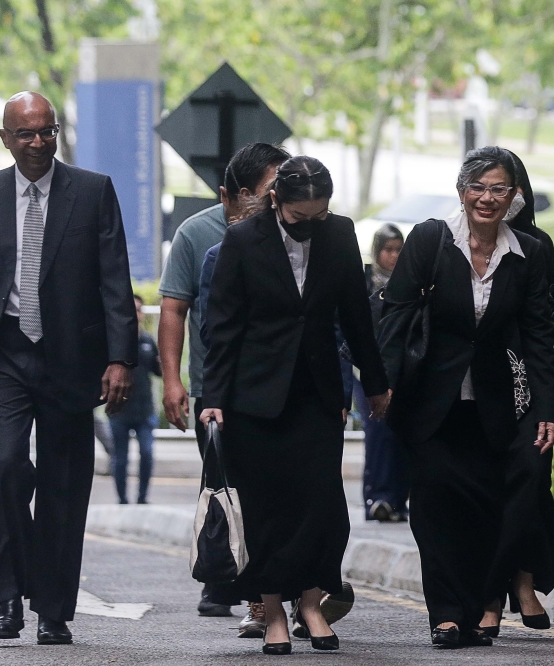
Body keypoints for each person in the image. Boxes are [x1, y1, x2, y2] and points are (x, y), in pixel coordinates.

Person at [0, 91, 137, 646]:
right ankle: (7, 597)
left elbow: (115, 279)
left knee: (66, 486)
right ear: (5, 138)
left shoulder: (92, 191)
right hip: (1, 353)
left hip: (71, 358)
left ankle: (52, 609)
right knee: (4, 468)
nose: (38, 141)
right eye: (26, 133)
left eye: (46, 130)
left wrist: (121, 357)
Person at [200, 156, 391, 655]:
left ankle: (310, 602)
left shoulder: (340, 234)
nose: (309, 227)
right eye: (299, 218)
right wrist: (214, 397)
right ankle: (273, 614)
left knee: (318, 503)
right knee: (265, 506)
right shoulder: (242, 241)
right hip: (253, 395)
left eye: (318, 217)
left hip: (318, 392)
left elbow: (355, 315)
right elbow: (222, 325)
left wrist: (375, 383)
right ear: (276, 202)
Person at [378, 146, 554, 648]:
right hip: (430, 401)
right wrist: (382, 386)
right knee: (435, 509)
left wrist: (547, 407)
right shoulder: (430, 239)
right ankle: (446, 615)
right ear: (462, 192)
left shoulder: (529, 253)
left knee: (484, 509)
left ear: (514, 196)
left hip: (492, 403)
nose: (487, 198)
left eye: (498, 189)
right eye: (477, 187)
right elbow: (395, 315)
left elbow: (538, 336)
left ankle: (484, 604)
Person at [158, 142, 291, 618]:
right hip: (215, 387)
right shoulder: (197, 235)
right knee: (224, 483)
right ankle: (222, 577)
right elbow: (174, 307)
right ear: (231, 196)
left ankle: (268, 589)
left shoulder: (295, 228)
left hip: (276, 386)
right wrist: (172, 381)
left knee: (272, 488)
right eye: (267, 191)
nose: (276, 199)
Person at [479, 150, 554, 635]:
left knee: (531, 488)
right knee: (492, 492)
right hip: (480, 389)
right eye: (487, 186)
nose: (499, 197)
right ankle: (497, 595)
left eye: (507, 188)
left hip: (534, 391)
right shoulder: (454, 241)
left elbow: (542, 328)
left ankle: (520, 584)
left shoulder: (536, 244)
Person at [355, 224, 410, 522]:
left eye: (399, 249)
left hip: (400, 371)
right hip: (366, 371)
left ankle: (398, 501)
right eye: (388, 250)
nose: (393, 256)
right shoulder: (364, 282)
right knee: (376, 431)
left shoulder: (409, 282)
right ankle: (376, 497)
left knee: (400, 432)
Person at [110, 295, 162, 504]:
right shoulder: (114, 343)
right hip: (119, 411)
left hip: (145, 411)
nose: (136, 314)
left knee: (147, 453)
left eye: (139, 310)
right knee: (120, 459)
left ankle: (142, 498)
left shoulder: (148, 341)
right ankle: (122, 500)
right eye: (132, 310)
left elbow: (159, 371)